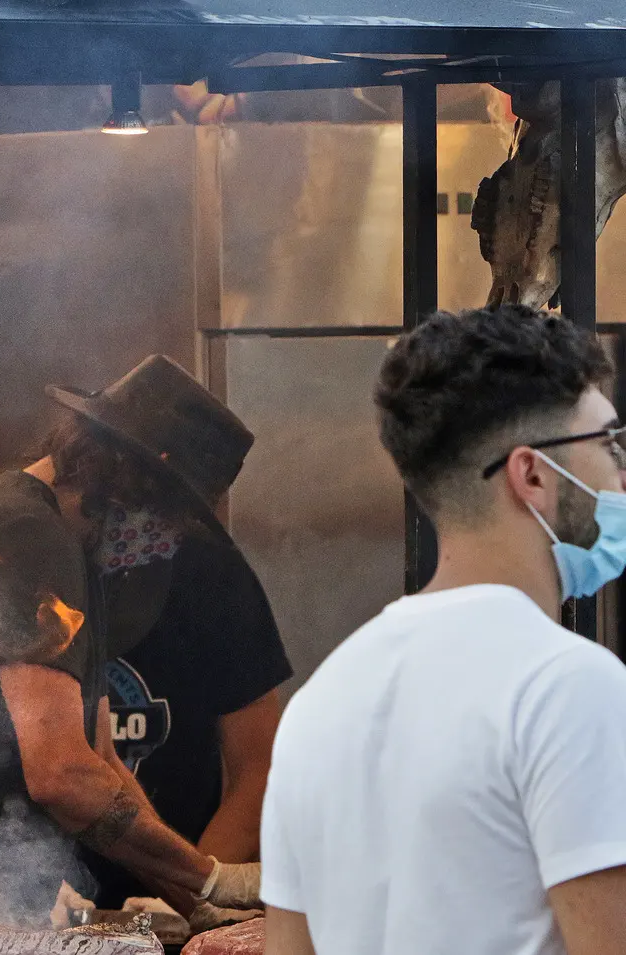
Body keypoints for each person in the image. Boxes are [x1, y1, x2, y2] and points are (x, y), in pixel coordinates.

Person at [262, 306, 626, 955]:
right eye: (607, 445)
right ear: (533, 475)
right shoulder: (571, 686)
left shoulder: (318, 704)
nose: (620, 476)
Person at [0, 355, 264, 929]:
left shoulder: (71, 555)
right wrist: (212, 876)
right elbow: (61, 776)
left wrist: (204, 908)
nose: (165, 541)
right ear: (118, 475)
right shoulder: (24, 531)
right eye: (164, 514)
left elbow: (100, 761)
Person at [78, 363, 291, 909]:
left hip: (167, 906)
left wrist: (194, 896)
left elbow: (259, 767)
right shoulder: (37, 554)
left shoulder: (211, 576)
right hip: (21, 911)